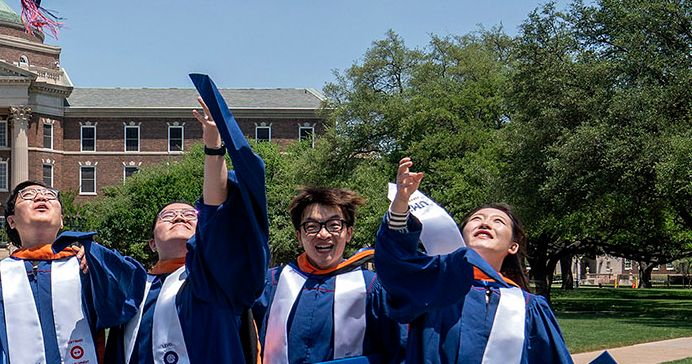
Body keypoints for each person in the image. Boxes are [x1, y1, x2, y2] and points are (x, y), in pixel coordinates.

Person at [117, 97, 272, 364]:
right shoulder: (133, 290)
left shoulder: (213, 279)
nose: (179, 216)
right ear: (152, 242)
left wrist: (213, 147)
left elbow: (216, 211)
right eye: (167, 215)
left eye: (190, 214)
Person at [378, 158, 574, 364]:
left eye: (498, 221)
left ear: (513, 246)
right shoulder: (432, 287)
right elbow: (395, 261)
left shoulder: (528, 307)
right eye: (476, 219)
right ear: (461, 236)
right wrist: (401, 203)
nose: (486, 223)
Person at [0, 179, 144, 364]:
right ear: (11, 221)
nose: (41, 197)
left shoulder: (86, 268)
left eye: (50, 195)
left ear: (61, 221)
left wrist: (99, 259)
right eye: (27, 195)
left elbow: (126, 302)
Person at [255, 184, 403, 364]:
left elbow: (399, 350)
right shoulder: (272, 284)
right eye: (311, 226)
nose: (323, 234)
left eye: (334, 225)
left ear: (348, 233)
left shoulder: (370, 288)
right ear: (299, 236)